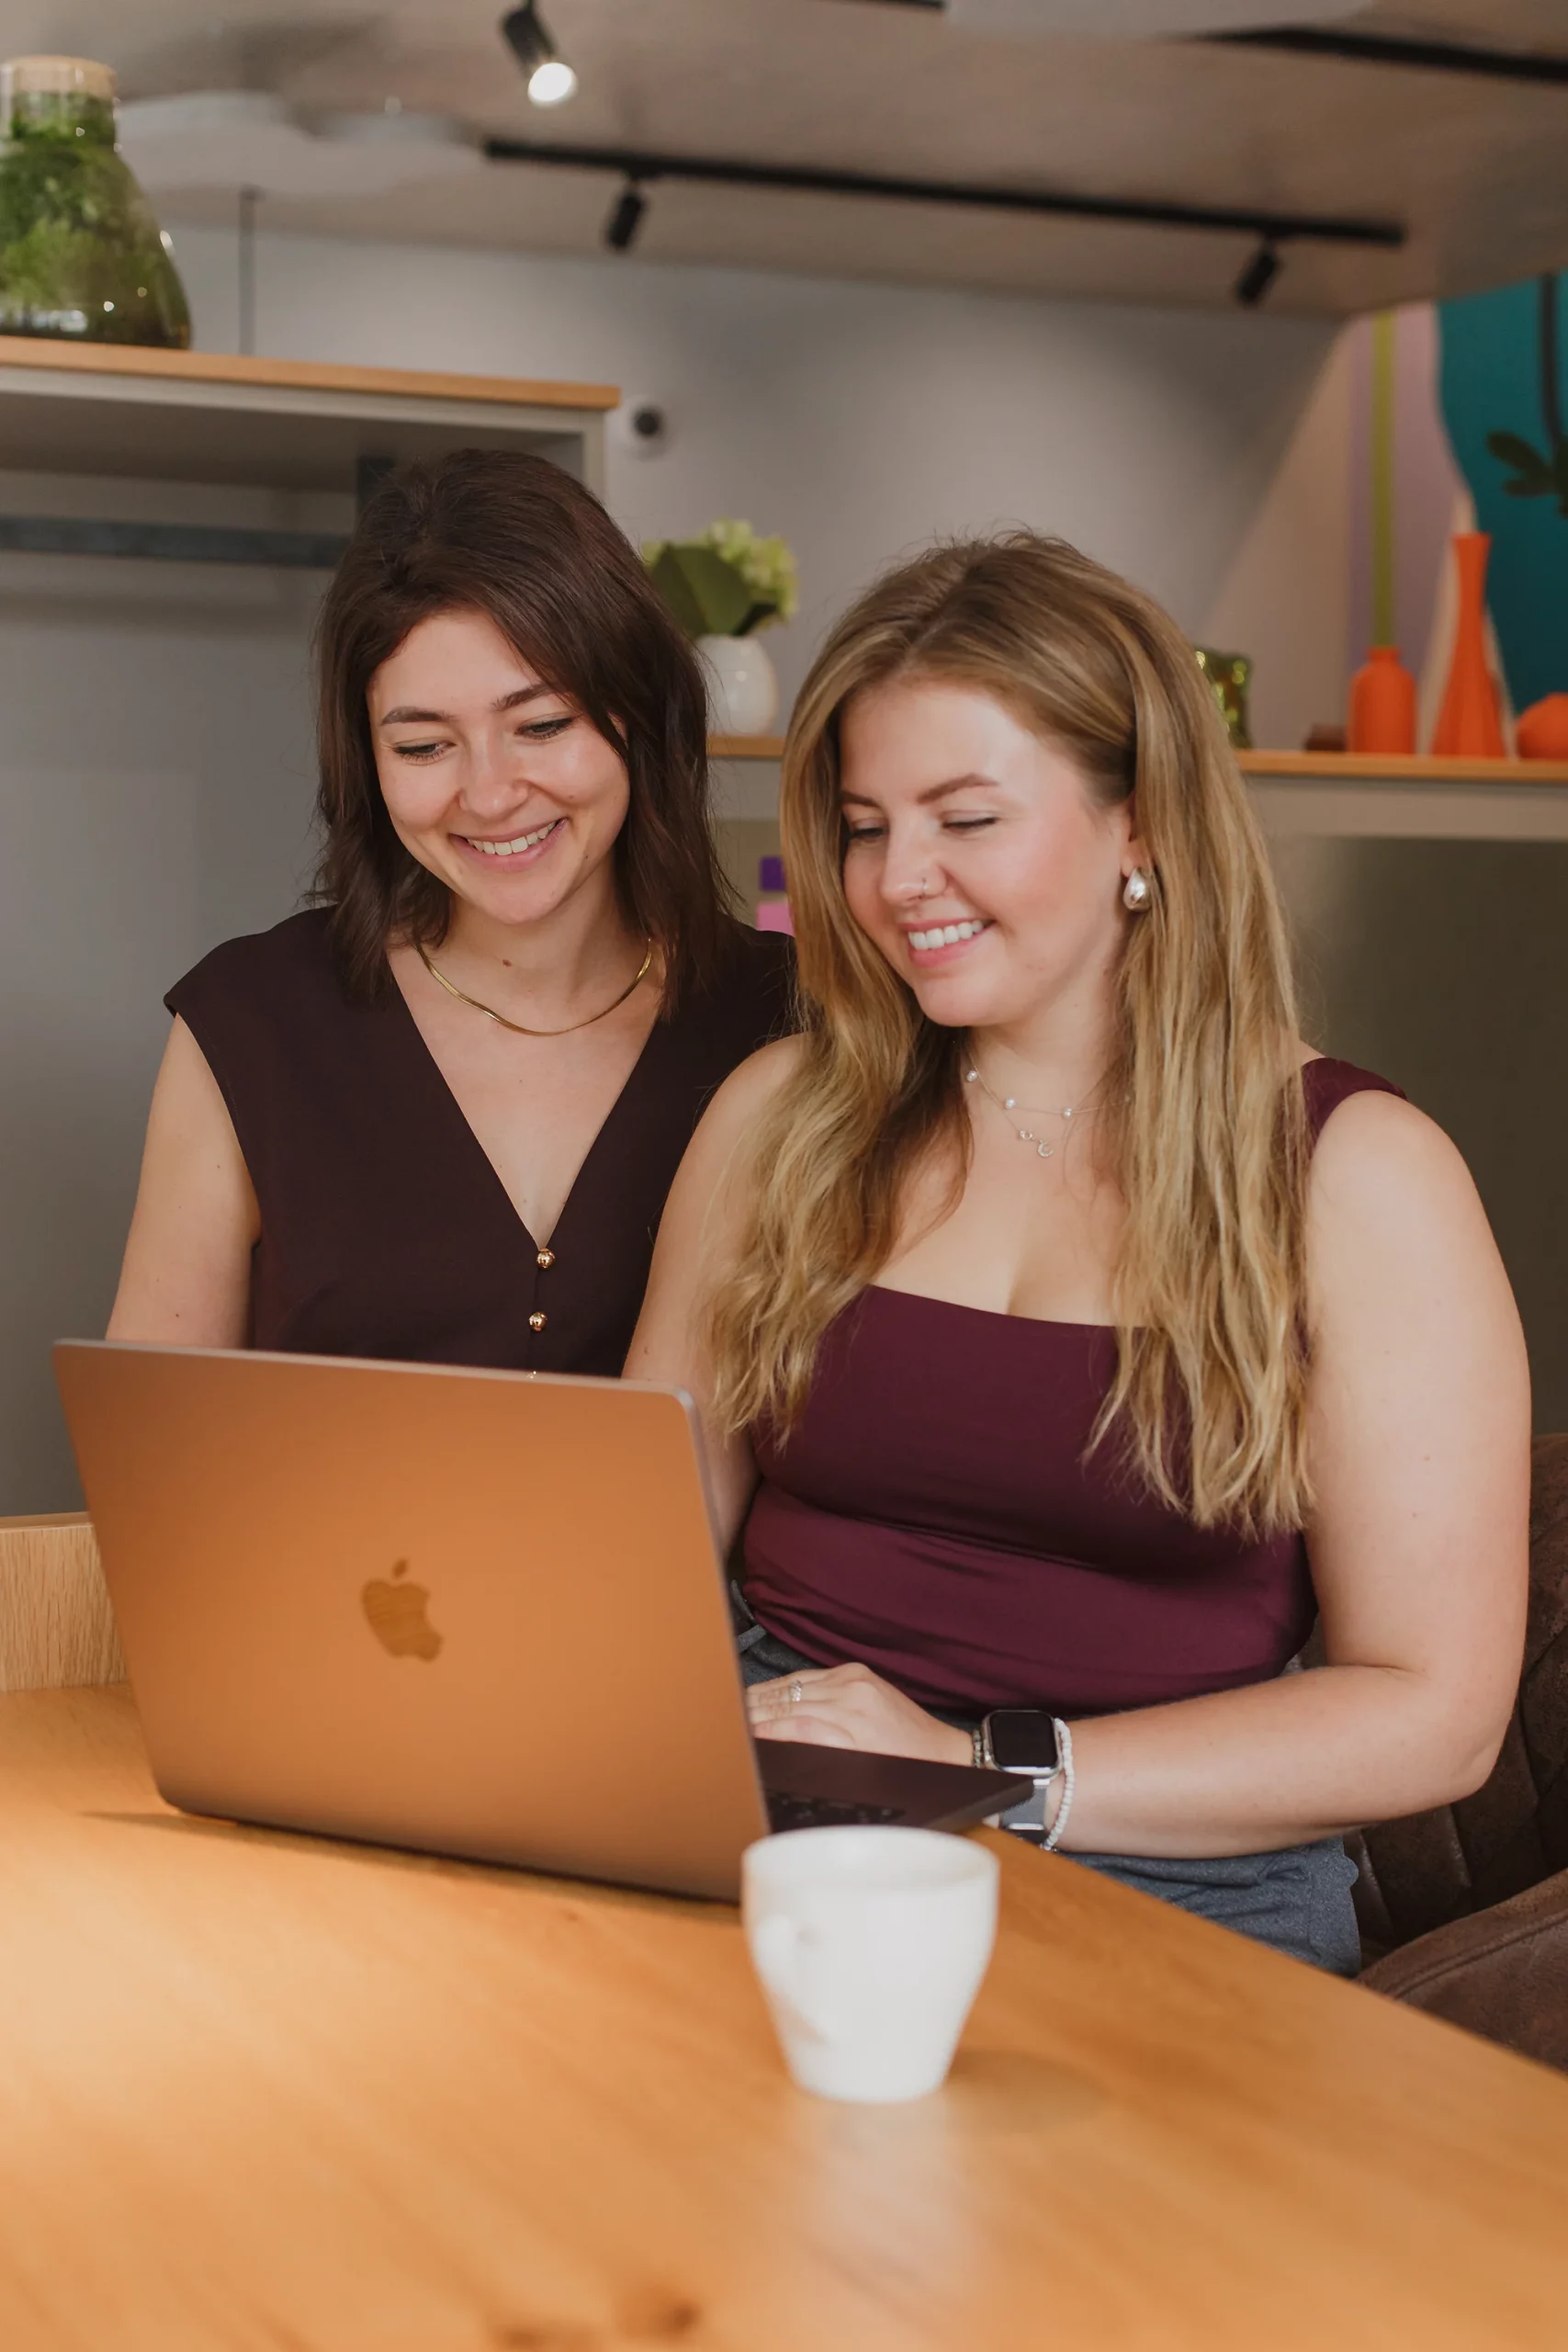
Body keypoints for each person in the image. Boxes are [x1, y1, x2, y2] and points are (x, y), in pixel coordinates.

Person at [628, 532, 1529, 1973]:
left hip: (1169, 1881)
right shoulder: (778, 1120)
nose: (891, 879)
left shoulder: (1354, 1178)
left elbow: (1432, 1712)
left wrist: (976, 1766)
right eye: (862, 825)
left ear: (1143, 829)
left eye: (963, 819)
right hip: (774, 1819)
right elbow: (638, 1538)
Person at [109, 450, 792, 1373]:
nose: (490, 793)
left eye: (542, 726)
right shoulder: (253, 1019)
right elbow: (154, 1441)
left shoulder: (787, 1019)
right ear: (368, 762)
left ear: (637, 716)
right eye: (425, 745)